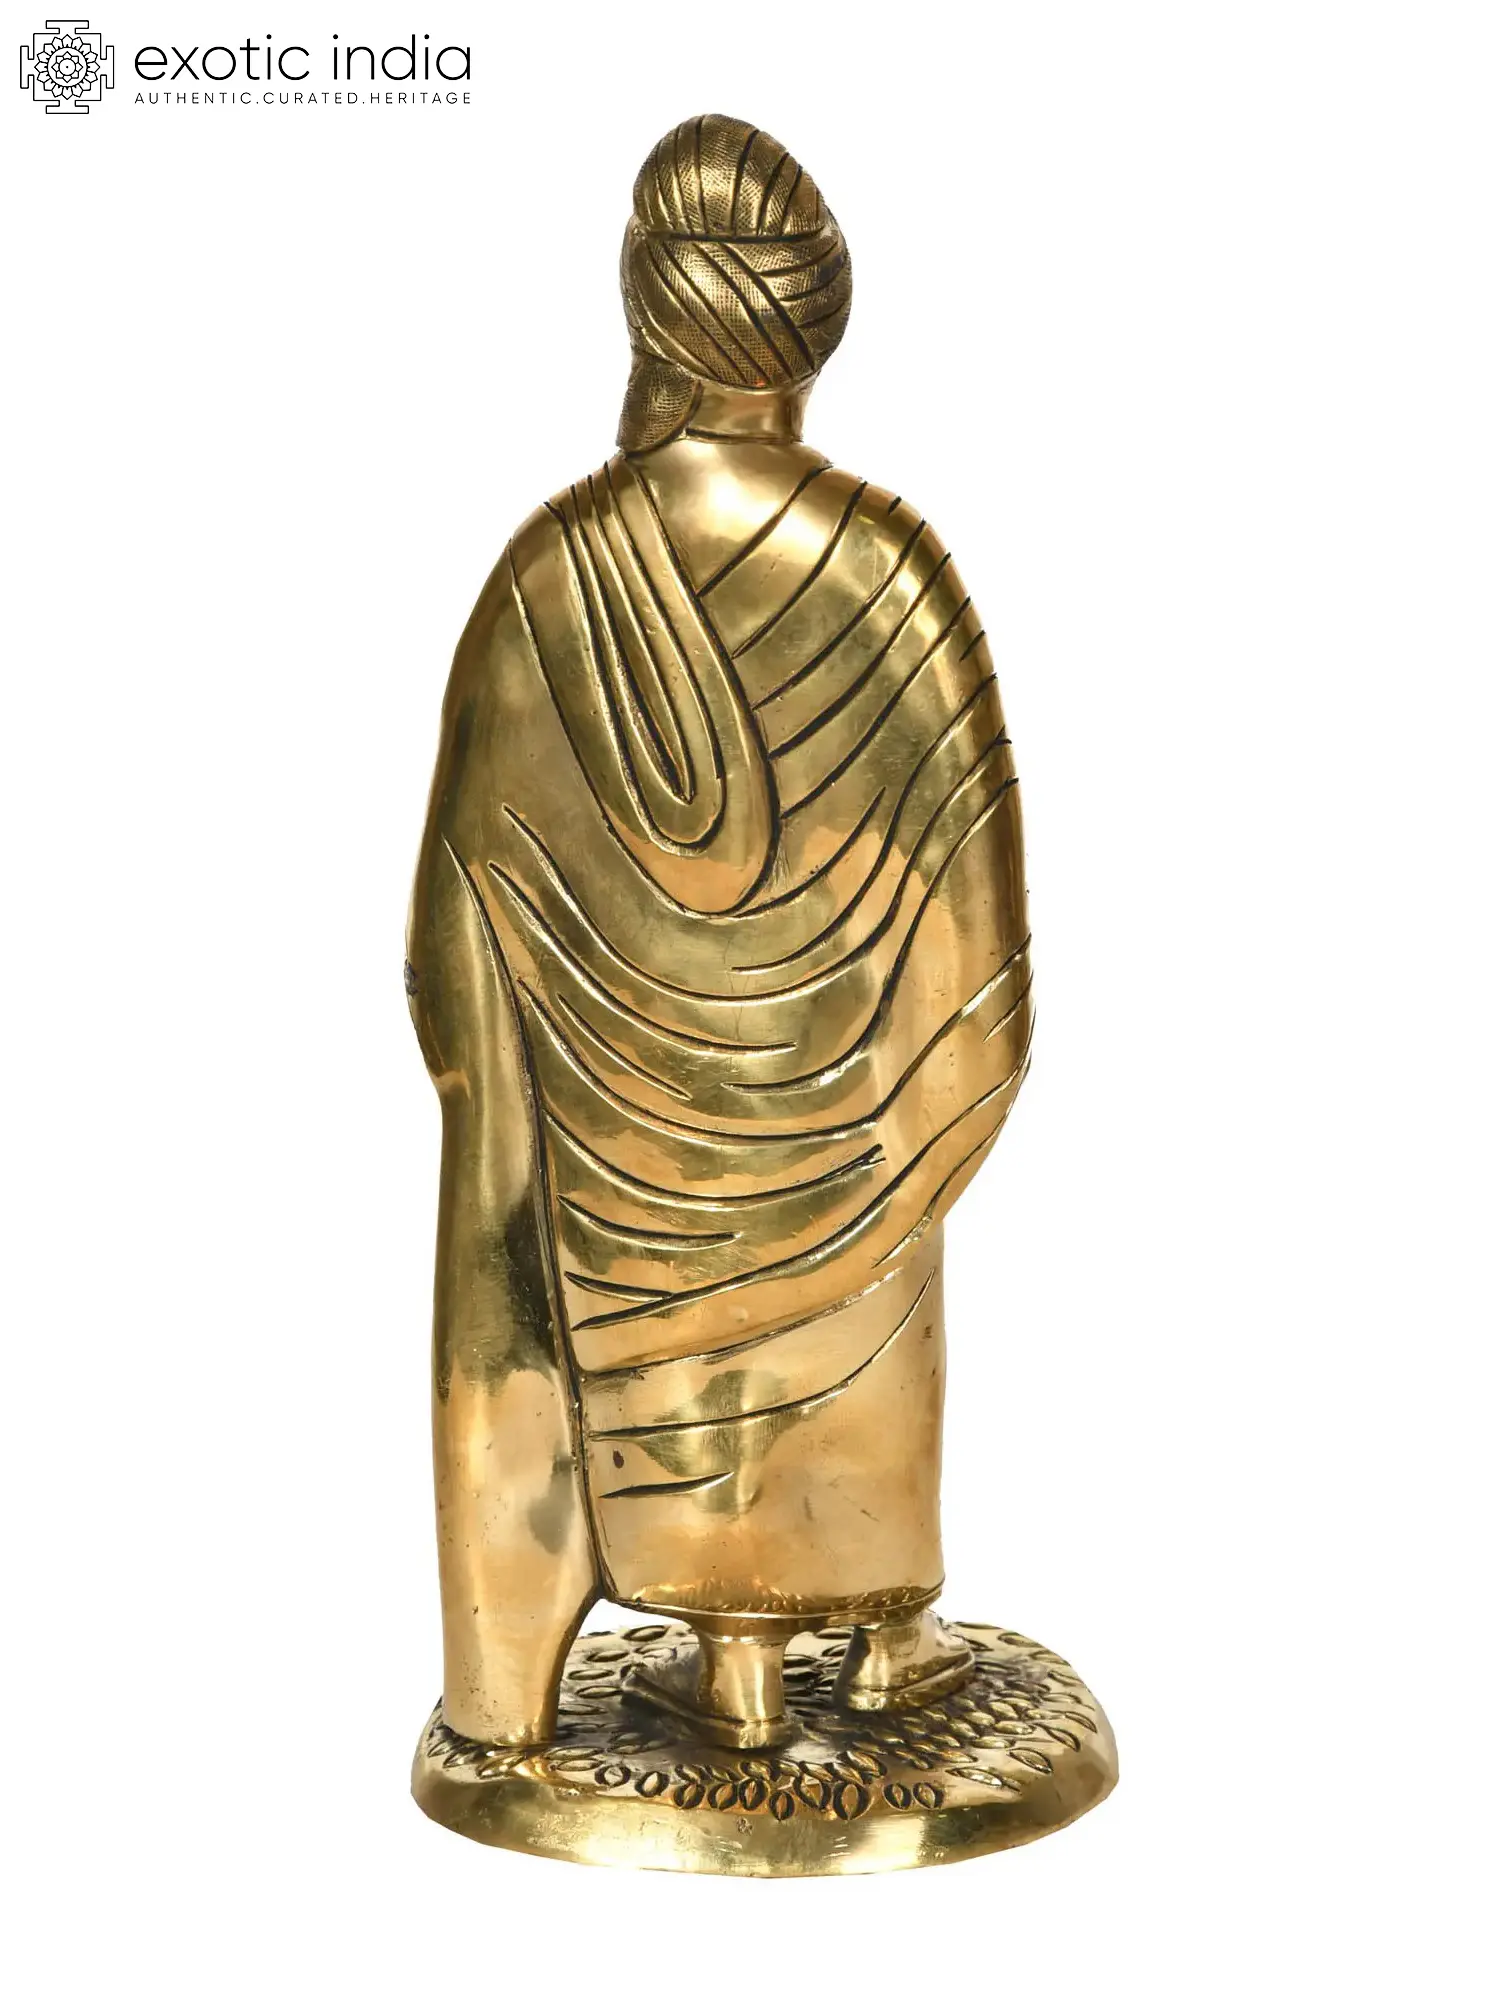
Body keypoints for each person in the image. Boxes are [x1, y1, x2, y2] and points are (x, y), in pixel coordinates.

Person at [408, 114, 1032, 1750]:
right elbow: (980, 956)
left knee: (670, 1373)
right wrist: (897, 1121)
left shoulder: (552, 573)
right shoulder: (894, 569)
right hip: (861, 1141)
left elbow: (452, 922)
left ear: (649, 312)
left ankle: (738, 1657)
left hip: (625, 1185)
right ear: (815, 320)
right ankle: (865, 1632)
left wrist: (514, 1075)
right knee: (855, 1328)